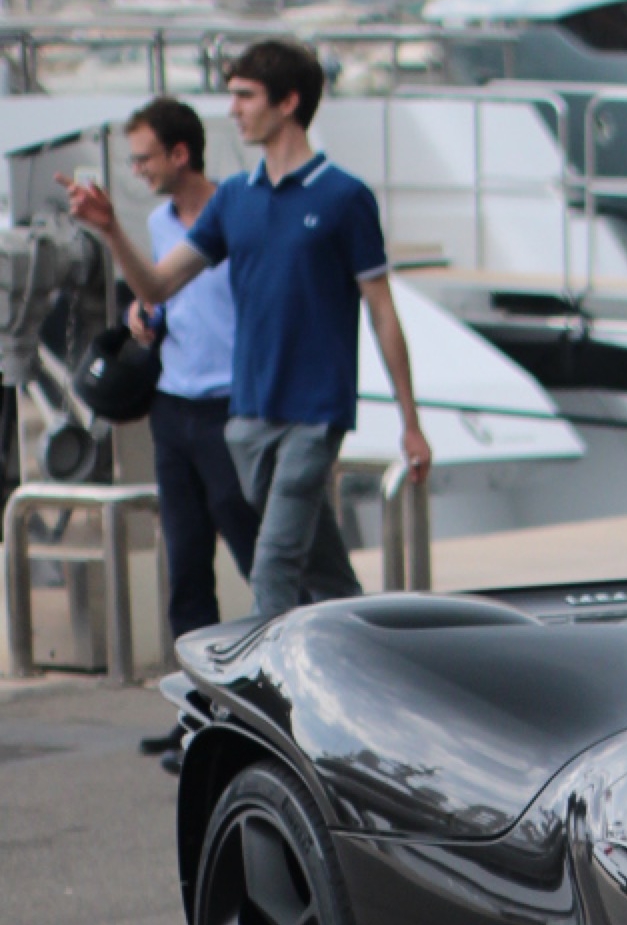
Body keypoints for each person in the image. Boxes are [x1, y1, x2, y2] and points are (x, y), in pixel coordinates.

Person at [65, 36, 430, 612]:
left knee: (273, 567)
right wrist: (111, 230)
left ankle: (270, 697)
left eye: (244, 96)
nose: (232, 109)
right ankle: (375, 649)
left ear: (288, 102)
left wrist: (411, 422)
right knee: (323, 571)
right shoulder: (234, 198)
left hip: (315, 414)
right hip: (247, 418)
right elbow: (158, 287)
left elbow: (382, 309)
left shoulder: (344, 197)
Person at [119, 97, 262, 640]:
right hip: (173, 404)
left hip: (231, 404)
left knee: (256, 555)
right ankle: (194, 716)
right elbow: (162, 289)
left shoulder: (237, 210)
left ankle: (281, 701)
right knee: (186, 565)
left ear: (180, 154)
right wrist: (141, 312)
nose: (138, 171)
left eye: (144, 158)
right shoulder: (159, 221)